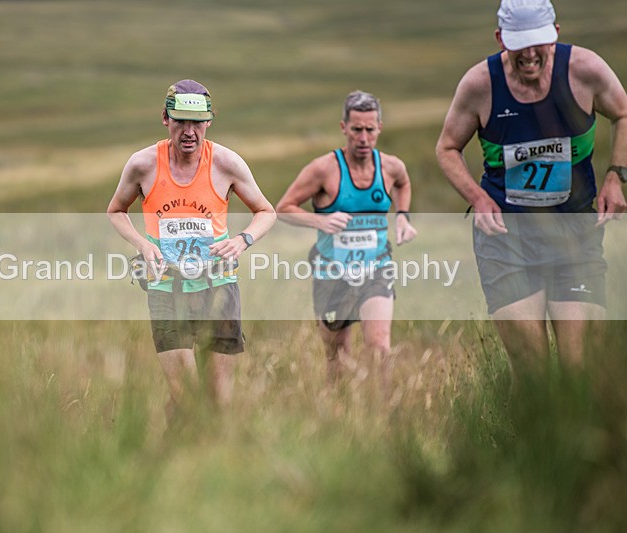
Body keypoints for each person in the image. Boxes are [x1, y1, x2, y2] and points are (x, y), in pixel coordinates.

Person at [435, 0, 627, 370]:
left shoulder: (585, 70)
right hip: (507, 239)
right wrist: (478, 198)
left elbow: (623, 111)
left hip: (575, 234)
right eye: (519, 43)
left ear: (555, 33)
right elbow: (446, 147)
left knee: (580, 365)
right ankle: (532, 428)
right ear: (500, 38)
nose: (530, 54)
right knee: (532, 369)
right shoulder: (480, 84)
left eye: (538, 41)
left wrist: (616, 177)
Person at [107, 79, 276, 419]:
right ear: (165, 119)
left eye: (197, 122)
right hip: (166, 288)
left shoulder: (226, 163)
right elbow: (116, 211)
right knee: (186, 398)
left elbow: (266, 211)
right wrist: (142, 244)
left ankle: (200, 459)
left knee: (218, 403)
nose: (189, 131)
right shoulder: (143, 164)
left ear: (208, 122)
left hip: (218, 288)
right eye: (181, 120)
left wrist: (242, 240)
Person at [276, 90, 417, 384]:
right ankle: (343, 415)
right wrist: (321, 219)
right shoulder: (323, 169)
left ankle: (382, 418)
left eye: (369, 129)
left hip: (376, 268)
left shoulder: (390, 166)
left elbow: (403, 183)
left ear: (380, 127)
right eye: (356, 130)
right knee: (338, 358)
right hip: (332, 272)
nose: (363, 138)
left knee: (379, 348)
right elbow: (283, 208)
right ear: (344, 128)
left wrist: (402, 215)